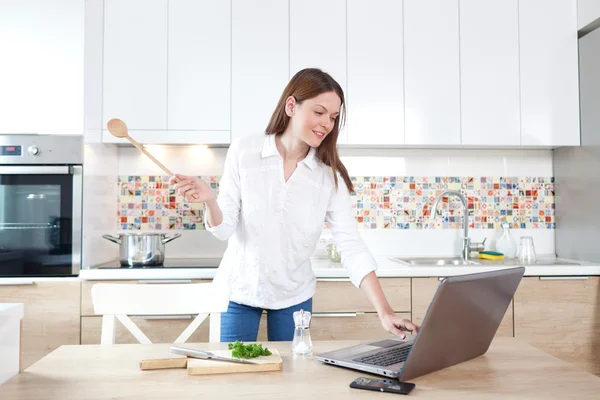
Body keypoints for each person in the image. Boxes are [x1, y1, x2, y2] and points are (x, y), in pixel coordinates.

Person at [171, 68, 419, 342]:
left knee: (292, 381)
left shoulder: (328, 176)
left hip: (294, 296)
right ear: (291, 106)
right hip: (239, 290)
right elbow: (223, 228)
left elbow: (350, 244)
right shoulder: (245, 151)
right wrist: (210, 201)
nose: (327, 123)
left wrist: (385, 312)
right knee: (233, 379)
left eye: (334, 117)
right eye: (319, 112)